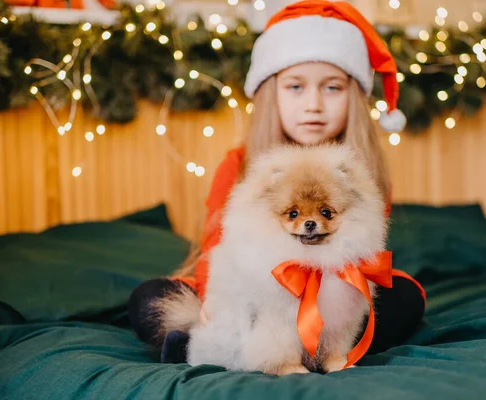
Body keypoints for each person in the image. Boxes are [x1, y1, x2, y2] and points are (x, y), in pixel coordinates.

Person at [128, 0, 426, 365]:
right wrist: (213, 301)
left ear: (354, 96)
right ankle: (204, 340)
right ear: (272, 93)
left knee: (405, 296)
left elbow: (361, 248)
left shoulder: (362, 171)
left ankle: (325, 346)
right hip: (252, 292)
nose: (313, 104)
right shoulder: (239, 164)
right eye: (296, 87)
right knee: (150, 299)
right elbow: (217, 246)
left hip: (334, 290)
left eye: (331, 88)